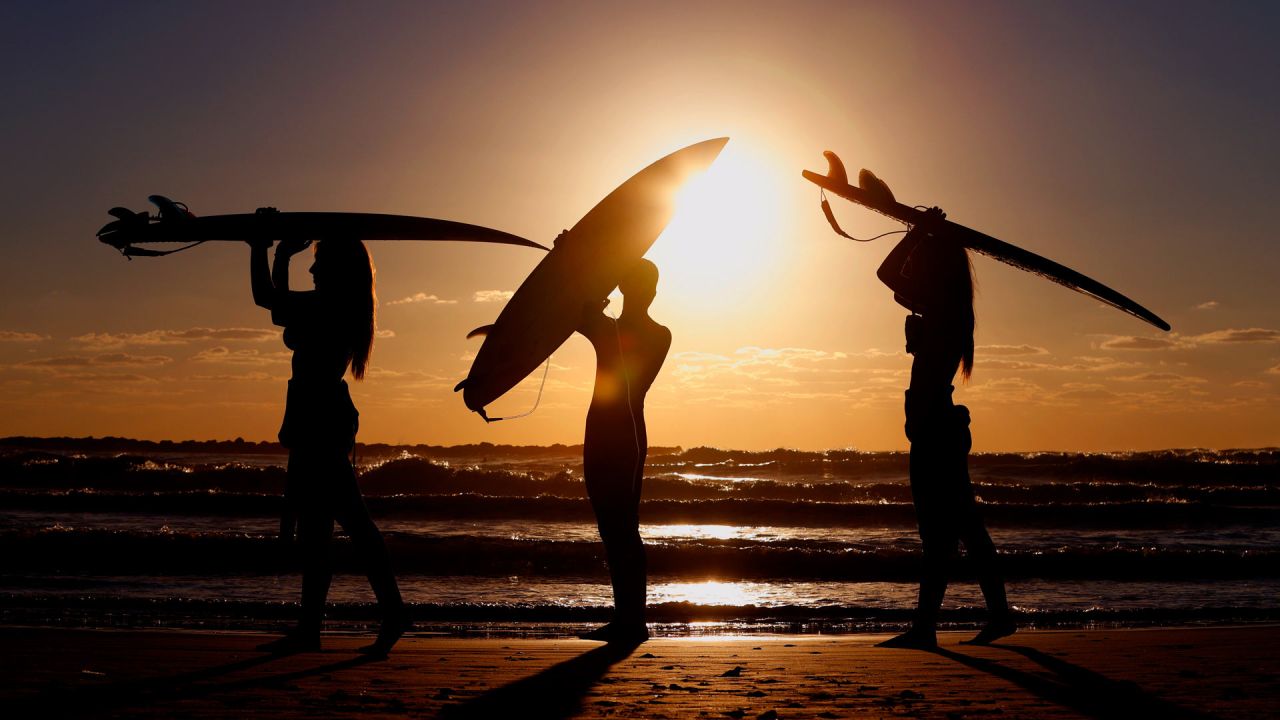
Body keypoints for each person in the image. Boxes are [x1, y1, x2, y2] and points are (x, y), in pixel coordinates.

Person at [247, 220, 407, 656]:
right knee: (329, 526)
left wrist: (265, 248)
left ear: (336, 269)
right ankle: (320, 625)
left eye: (318, 264)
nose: (313, 272)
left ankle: (384, 613)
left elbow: (268, 300)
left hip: (320, 419)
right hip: (320, 417)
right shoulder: (338, 304)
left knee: (344, 524)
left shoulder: (333, 306)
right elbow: (279, 308)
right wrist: (279, 255)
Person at [874, 207, 1014, 648]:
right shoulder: (947, 307)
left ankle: (927, 628)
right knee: (963, 528)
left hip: (935, 431)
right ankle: (990, 617)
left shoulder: (943, 306)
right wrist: (922, 235)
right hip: (937, 429)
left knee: (941, 532)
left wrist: (918, 232)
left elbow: (886, 272)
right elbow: (896, 279)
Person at [576, 258, 671, 644]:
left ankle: (633, 621)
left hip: (619, 433)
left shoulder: (624, 331)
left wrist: (576, 260)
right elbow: (578, 311)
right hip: (615, 432)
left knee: (622, 529)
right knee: (613, 527)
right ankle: (628, 619)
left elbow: (576, 307)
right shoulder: (651, 332)